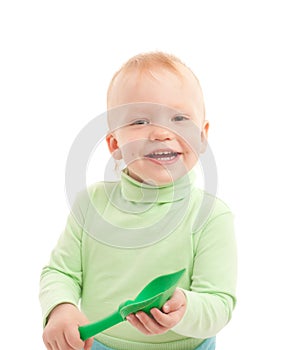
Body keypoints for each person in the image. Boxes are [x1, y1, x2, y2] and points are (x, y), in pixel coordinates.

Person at [39, 52, 237, 350]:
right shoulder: (91, 204)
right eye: (140, 121)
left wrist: (185, 308)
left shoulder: (211, 215)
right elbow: (60, 272)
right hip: (99, 344)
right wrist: (60, 308)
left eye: (180, 118)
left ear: (202, 135)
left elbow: (220, 304)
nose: (161, 133)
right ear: (115, 144)